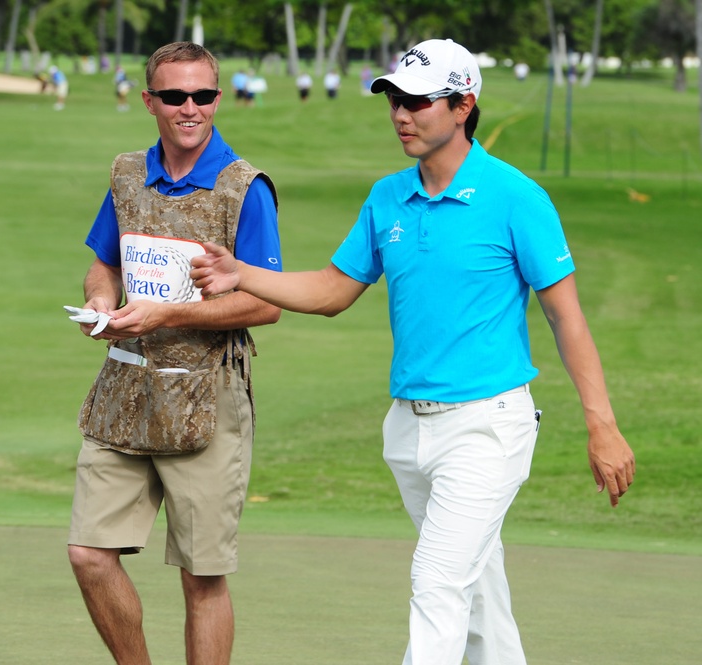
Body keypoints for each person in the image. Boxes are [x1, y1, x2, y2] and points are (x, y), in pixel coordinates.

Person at [190, 38, 635, 665]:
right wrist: (242, 274)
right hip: (408, 428)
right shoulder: (387, 197)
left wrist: (602, 424)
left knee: (437, 581)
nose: (401, 113)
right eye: (395, 100)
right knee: (477, 587)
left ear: (463, 106)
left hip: (488, 427)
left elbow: (568, 319)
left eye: (418, 101)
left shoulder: (516, 197)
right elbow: (331, 290)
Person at [67, 41, 283, 665]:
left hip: (208, 397)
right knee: (88, 554)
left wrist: (171, 312)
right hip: (125, 390)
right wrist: (103, 304)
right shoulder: (128, 173)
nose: (190, 108)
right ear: (149, 101)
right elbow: (104, 263)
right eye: (174, 96)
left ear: (218, 98)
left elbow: (264, 304)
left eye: (203, 95)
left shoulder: (246, 188)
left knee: (202, 577)